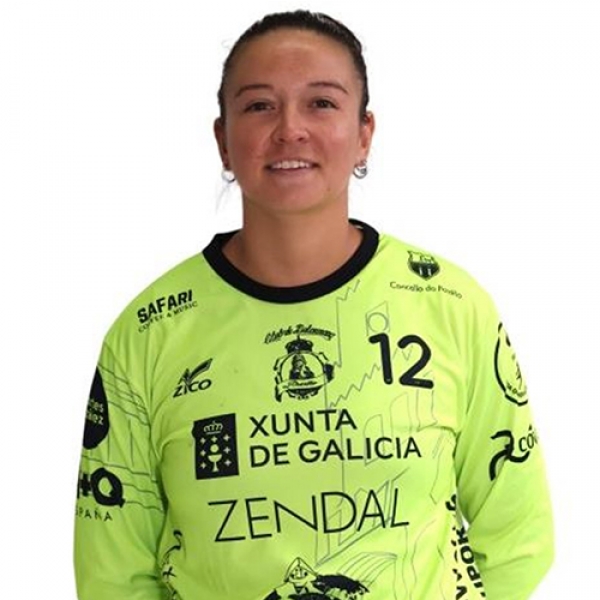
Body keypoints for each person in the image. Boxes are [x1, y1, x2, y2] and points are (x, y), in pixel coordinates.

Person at [73, 10, 553, 600]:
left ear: (364, 133)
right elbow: (112, 573)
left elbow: (519, 536)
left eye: (321, 103)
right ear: (223, 139)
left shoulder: (449, 305)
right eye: (259, 106)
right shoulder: (151, 331)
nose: (290, 129)